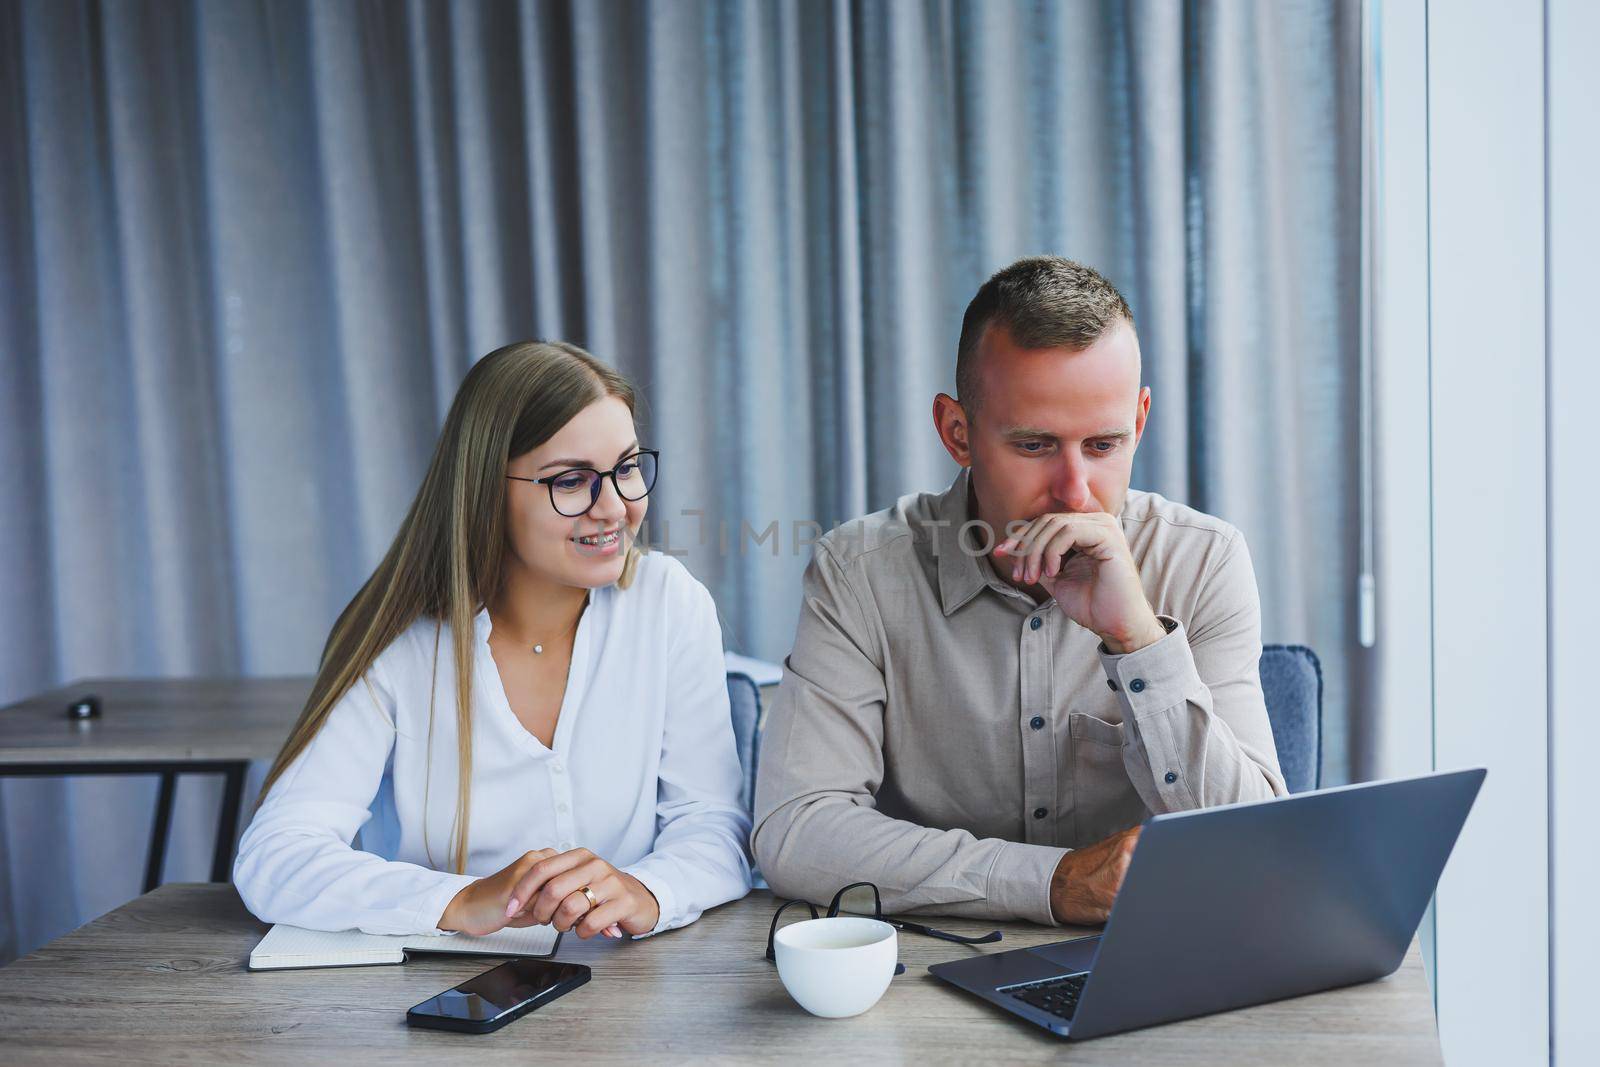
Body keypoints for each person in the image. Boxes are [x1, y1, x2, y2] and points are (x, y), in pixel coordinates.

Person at [753, 256, 1285, 928]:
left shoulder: (1203, 560)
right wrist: (1055, 882)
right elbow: (796, 831)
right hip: (931, 972)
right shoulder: (859, 571)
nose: (1074, 490)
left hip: (1147, 962)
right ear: (957, 432)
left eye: (1104, 444)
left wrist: (1137, 640)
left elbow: (1256, 847)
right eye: (1034, 444)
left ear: (1141, 420)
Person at [235, 341, 751, 941]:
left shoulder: (668, 603)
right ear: (485, 489)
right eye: (572, 480)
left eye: (628, 468)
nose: (614, 507)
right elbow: (276, 856)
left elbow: (713, 824)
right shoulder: (400, 640)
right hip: (435, 1005)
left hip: (630, 993)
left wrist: (646, 891)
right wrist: (464, 900)